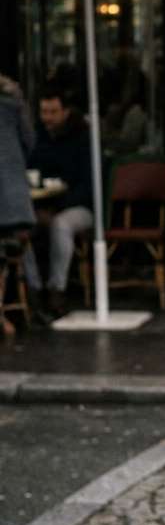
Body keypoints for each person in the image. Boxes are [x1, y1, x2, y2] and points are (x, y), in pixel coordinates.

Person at [24, 85, 93, 318]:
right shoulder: (36, 136)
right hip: (43, 204)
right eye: (44, 112)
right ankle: (32, 288)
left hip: (78, 206)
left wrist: (57, 208)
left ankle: (57, 289)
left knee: (60, 225)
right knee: (19, 228)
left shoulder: (82, 139)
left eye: (53, 112)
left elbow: (88, 185)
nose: (48, 118)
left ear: (65, 112)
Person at [0, 75, 35, 335]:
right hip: (14, 200)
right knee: (17, 247)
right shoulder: (14, 105)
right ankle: (33, 299)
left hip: (9, 201)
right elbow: (30, 143)